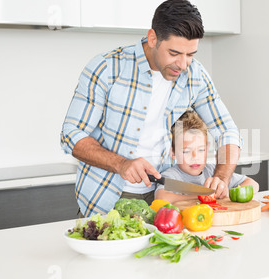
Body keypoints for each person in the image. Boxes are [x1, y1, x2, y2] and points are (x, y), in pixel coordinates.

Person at [60, 0, 242, 217]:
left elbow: (227, 131)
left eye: (190, 54)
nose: (183, 65)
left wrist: (222, 177)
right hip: (105, 198)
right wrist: (121, 163)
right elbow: (71, 135)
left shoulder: (195, 75)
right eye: (174, 53)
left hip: (165, 197)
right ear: (153, 38)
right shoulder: (107, 68)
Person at [155, 111, 259, 203]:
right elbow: (161, 198)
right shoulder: (171, 175)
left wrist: (226, 192)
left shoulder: (212, 171)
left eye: (201, 150)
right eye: (186, 151)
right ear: (172, 152)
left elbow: (253, 184)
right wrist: (202, 196)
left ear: (207, 148)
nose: (195, 157)